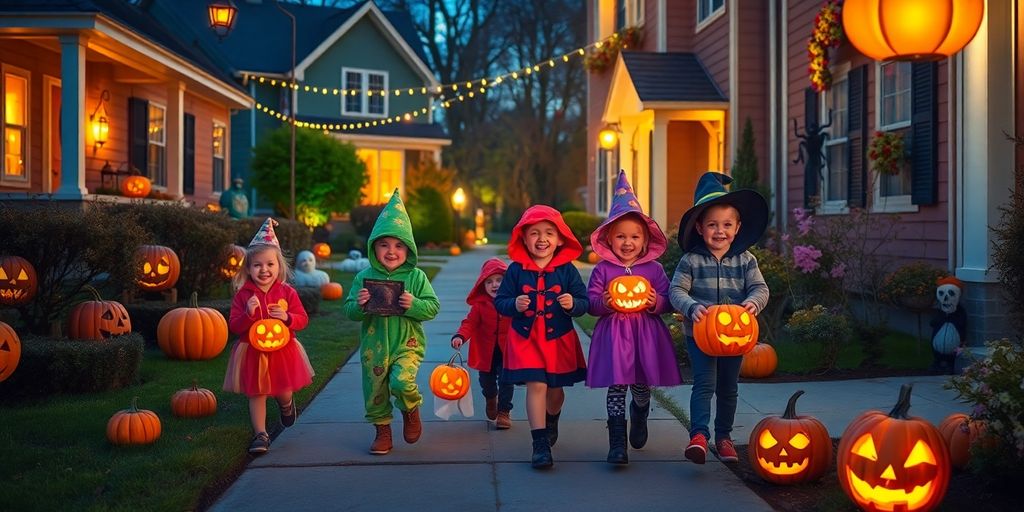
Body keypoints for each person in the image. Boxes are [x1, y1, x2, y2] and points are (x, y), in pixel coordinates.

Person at [669, 172, 769, 464]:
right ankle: (699, 436)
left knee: (728, 387)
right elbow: (676, 290)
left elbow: (759, 288)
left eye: (727, 224)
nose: (720, 231)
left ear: (737, 228)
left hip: (735, 336)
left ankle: (724, 437)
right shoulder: (691, 260)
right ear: (700, 228)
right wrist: (690, 307)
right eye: (712, 224)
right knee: (704, 383)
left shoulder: (746, 260)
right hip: (699, 334)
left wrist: (752, 303)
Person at [587, 171, 680, 465]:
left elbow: (669, 299)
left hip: (645, 334)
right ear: (610, 239)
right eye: (621, 236)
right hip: (614, 335)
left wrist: (657, 302)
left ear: (644, 241)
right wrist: (604, 302)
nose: (628, 242)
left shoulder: (654, 269)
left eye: (634, 237)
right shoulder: (603, 270)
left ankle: (639, 413)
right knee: (616, 386)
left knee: (641, 384)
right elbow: (591, 302)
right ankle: (617, 443)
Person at [343, 189, 440, 455]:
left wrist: (414, 305)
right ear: (374, 246)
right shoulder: (364, 277)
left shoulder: (416, 277)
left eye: (398, 245)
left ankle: (411, 409)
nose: (391, 251)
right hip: (374, 347)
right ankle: (382, 431)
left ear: (408, 248)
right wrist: (361, 305)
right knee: (375, 390)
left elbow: (433, 307)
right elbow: (349, 310)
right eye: (384, 244)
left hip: (406, 344)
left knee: (401, 383)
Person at [494, 205, 589, 469]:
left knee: (555, 392)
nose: (542, 238)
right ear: (523, 238)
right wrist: (514, 304)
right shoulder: (515, 270)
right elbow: (500, 302)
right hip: (526, 339)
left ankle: (552, 418)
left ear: (560, 239)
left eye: (549, 233)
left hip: (558, 339)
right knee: (537, 385)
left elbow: (585, 302)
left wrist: (573, 304)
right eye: (534, 233)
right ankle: (539, 444)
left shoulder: (567, 270)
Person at [223, 217, 314, 455]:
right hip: (252, 352)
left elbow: (302, 320)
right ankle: (260, 434)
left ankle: (286, 405)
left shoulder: (287, 292)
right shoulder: (243, 295)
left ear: (279, 266)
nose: (264, 270)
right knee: (257, 392)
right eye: (257, 265)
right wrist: (248, 313)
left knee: (283, 389)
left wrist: (286, 317)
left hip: (283, 351)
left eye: (270, 264)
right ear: (248, 269)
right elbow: (235, 326)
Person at [450, 257, 514, 429]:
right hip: (486, 352)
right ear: (482, 286)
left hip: (508, 351)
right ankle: (491, 398)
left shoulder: (513, 303)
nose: (495, 285)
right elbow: (469, 323)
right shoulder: (480, 306)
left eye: (499, 280)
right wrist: (460, 336)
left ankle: (504, 412)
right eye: (489, 282)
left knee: (507, 381)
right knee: (487, 382)